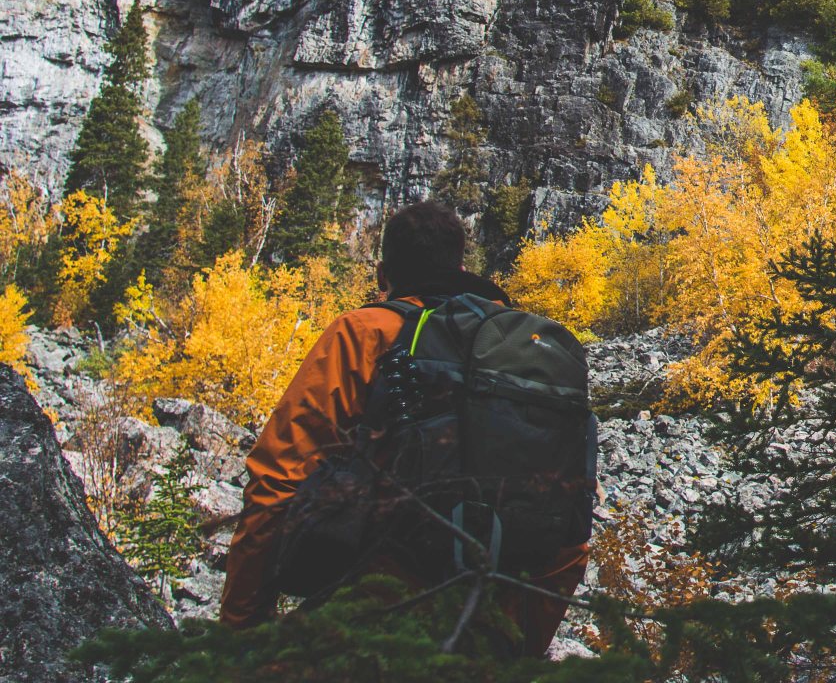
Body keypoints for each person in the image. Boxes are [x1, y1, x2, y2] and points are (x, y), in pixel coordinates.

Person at [219, 200, 590, 656]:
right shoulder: (523, 353)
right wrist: (517, 647)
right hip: (492, 625)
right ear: (461, 266)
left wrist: (239, 633)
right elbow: (572, 523)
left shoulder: (364, 331)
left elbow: (277, 480)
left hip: (375, 617)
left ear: (383, 275)